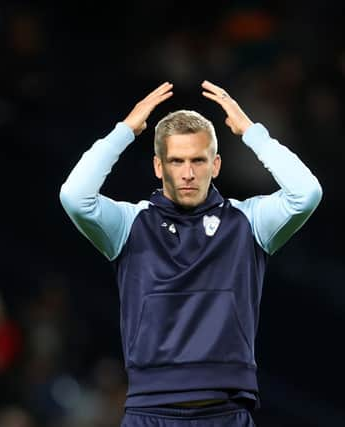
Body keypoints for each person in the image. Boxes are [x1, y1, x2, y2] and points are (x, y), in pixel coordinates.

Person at [59, 80, 322, 426]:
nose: (187, 173)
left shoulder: (248, 222)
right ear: (158, 166)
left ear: (216, 165)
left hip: (225, 413)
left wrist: (251, 133)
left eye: (198, 160)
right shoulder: (129, 225)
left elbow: (307, 193)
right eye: (177, 160)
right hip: (149, 413)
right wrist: (124, 132)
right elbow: (74, 197)